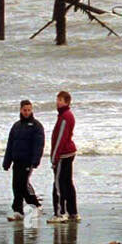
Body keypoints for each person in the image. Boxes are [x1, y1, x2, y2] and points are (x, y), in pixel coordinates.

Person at [2, 99, 44, 221]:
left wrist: (36, 160)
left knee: (23, 184)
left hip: (28, 161)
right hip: (17, 160)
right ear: (21, 110)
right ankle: (18, 210)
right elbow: (10, 144)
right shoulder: (16, 126)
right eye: (24, 110)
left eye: (29, 110)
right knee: (16, 185)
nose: (26, 112)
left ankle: (35, 205)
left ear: (31, 110)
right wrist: (7, 162)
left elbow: (39, 144)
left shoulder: (36, 126)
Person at [48, 90, 78, 223]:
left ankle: (60, 213)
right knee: (67, 183)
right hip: (68, 153)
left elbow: (61, 138)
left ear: (66, 102)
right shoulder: (65, 115)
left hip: (64, 154)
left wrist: (54, 157)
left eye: (60, 100)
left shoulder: (65, 116)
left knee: (59, 184)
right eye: (57, 100)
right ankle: (73, 212)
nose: (57, 102)